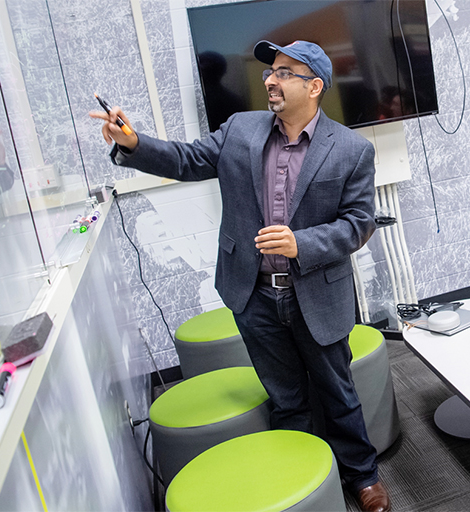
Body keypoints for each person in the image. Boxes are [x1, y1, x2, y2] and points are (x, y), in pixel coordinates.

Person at [90, 40, 390, 512]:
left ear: (315, 87)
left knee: (338, 391)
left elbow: (359, 222)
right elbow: (187, 160)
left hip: (318, 292)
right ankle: (299, 469)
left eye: (285, 73)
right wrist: (132, 143)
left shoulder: (350, 149)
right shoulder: (240, 129)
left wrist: (302, 244)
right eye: (271, 71)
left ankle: (362, 473)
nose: (270, 79)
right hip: (253, 293)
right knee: (285, 395)